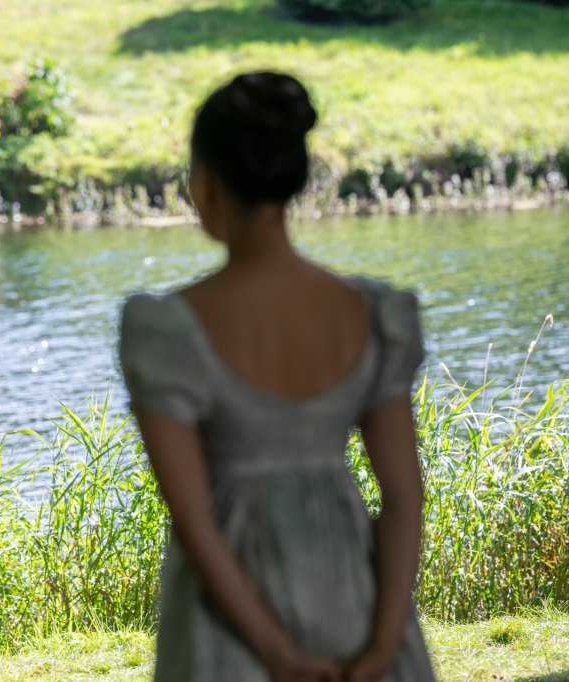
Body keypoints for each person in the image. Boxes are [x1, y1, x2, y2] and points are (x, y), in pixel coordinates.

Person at [118, 72, 435, 681]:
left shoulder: (167, 330)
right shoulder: (373, 314)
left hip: (231, 608)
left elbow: (193, 517)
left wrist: (276, 653)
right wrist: (385, 642)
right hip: (351, 587)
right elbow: (404, 497)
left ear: (204, 186)